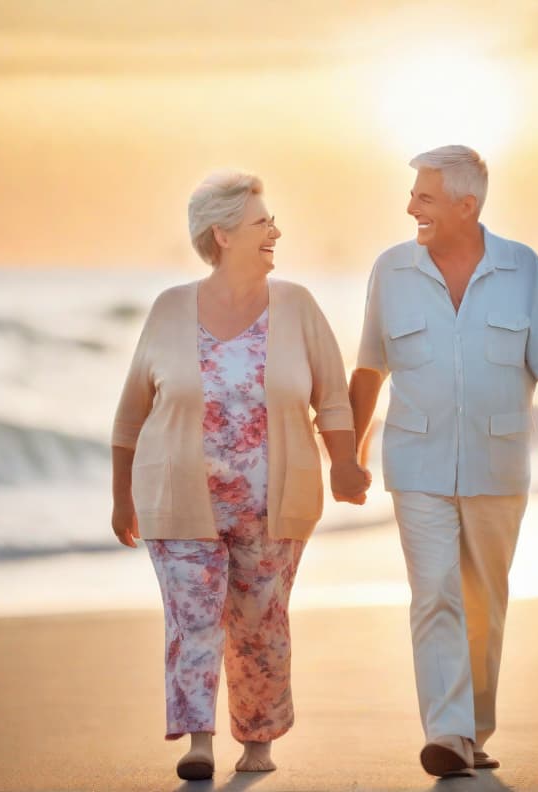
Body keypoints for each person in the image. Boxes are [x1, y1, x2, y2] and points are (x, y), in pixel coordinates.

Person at [111, 170, 370, 781]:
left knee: (260, 625)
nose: (274, 230)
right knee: (194, 619)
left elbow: (332, 398)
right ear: (222, 235)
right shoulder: (170, 308)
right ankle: (199, 740)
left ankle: (258, 741)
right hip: (177, 502)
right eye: (261, 222)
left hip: (272, 506)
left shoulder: (299, 305)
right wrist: (121, 498)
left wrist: (347, 465)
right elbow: (130, 415)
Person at [349, 145, 538, 778]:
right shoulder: (390, 270)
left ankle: (474, 729)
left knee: (484, 599)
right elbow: (370, 364)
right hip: (415, 461)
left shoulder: (521, 268)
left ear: (466, 205)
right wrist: (348, 449)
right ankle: (448, 733)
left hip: (497, 461)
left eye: (424, 197)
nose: (410, 208)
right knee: (434, 595)